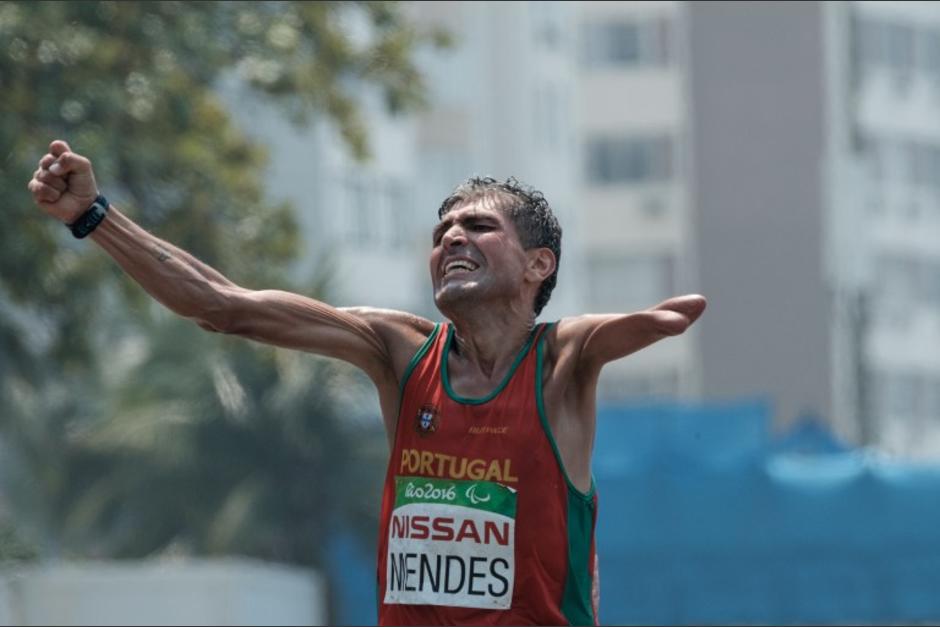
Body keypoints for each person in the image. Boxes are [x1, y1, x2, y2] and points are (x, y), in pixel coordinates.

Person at [29, 139, 706, 626]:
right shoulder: (398, 351)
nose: (451, 239)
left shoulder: (561, 362)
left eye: (478, 226)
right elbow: (223, 305)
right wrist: (95, 219)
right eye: (442, 231)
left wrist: (645, 323)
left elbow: (611, 331)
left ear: (538, 263)